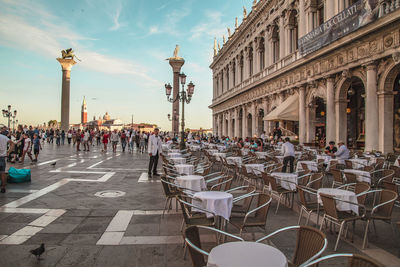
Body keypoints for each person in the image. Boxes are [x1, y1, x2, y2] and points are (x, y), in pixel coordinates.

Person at [0, 127, 14, 193]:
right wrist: (8, 152)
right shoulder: (4, 137)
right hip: (2, 157)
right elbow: (12, 144)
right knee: (2, 172)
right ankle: (3, 187)